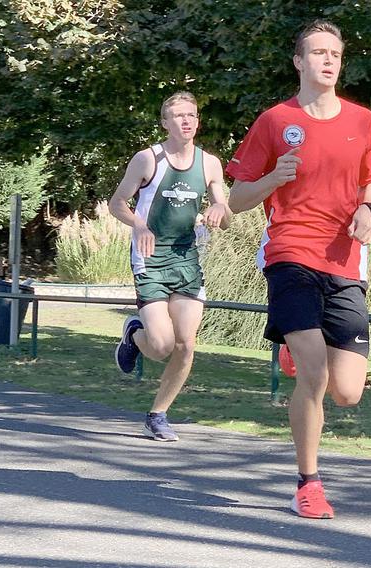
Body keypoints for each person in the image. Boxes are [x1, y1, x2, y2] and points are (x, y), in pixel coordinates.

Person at [226, 20, 371, 519]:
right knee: (314, 378)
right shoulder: (274, 121)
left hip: (345, 262)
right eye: (317, 52)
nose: (328, 60)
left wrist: (369, 210)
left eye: (335, 53)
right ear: (299, 61)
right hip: (291, 253)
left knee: (348, 392)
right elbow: (236, 199)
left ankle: (300, 354)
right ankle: (308, 482)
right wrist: (273, 177)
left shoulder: (363, 120)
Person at [109, 91, 231, 442]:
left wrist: (219, 211)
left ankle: (158, 414)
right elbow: (117, 203)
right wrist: (139, 224)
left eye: (191, 115)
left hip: (186, 259)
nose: (186, 121)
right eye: (178, 116)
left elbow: (224, 210)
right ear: (165, 122)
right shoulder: (148, 159)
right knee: (161, 346)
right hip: (150, 258)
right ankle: (134, 333)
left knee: (186, 345)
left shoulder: (209, 163)